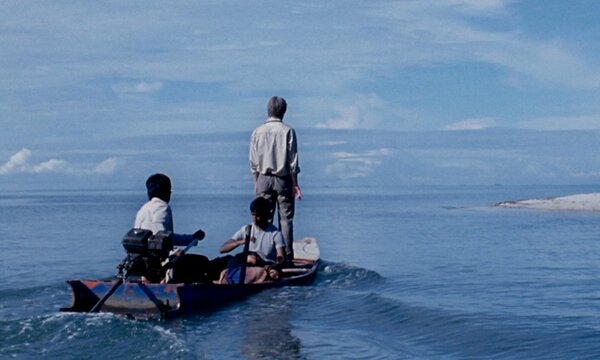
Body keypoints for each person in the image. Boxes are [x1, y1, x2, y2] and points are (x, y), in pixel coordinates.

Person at [249, 96, 301, 260]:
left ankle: (263, 253)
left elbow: (253, 160)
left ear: (268, 110)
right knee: (286, 219)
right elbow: (293, 161)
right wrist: (296, 184)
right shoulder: (287, 131)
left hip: (263, 177)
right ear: (283, 112)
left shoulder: (257, 131)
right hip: (283, 178)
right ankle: (286, 255)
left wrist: (256, 182)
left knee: (263, 218)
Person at [134, 173, 207, 283]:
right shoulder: (162, 207)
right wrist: (173, 252)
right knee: (203, 261)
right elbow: (159, 235)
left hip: (142, 262)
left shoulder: (143, 209)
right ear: (168, 192)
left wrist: (192, 238)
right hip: (158, 262)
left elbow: (167, 236)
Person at [216, 197, 285, 284]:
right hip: (246, 260)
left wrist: (274, 265)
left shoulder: (275, 233)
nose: (255, 219)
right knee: (225, 260)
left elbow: (281, 257)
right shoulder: (247, 229)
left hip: (263, 264)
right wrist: (241, 242)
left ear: (266, 215)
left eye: (258, 215)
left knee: (253, 259)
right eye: (253, 215)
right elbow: (222, 249)